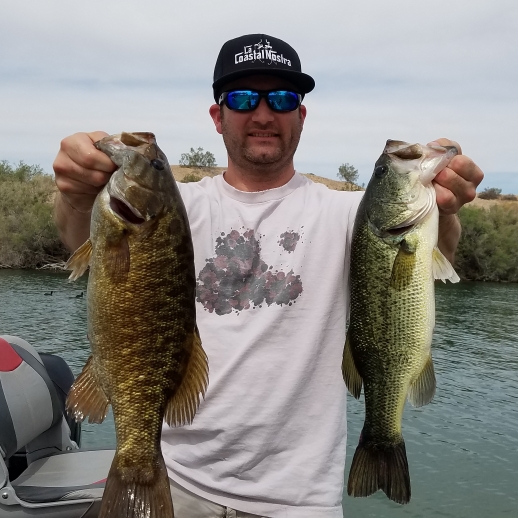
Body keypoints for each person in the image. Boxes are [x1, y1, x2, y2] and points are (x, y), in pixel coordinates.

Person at [53, 34, 483, 518]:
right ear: (217, 116)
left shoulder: (349, 214)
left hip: (298, 502)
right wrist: (74, 194)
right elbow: (78, 236)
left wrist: (446, 207)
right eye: (242, 98)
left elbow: (428, 255)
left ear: (301, 115)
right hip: (175, 479)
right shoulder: (174, 207)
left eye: (281, 98)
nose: (262, 113)